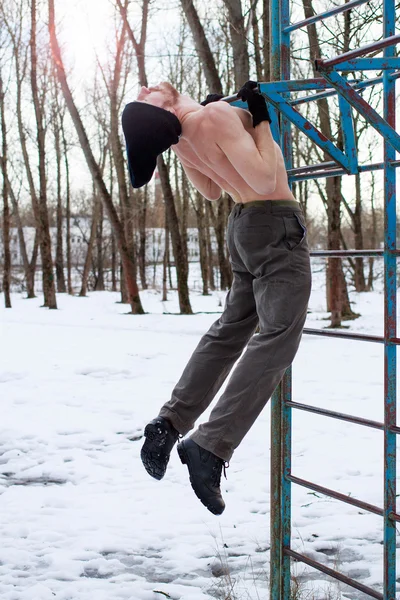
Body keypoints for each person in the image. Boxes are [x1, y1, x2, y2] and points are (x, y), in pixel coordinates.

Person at [122, 81, 312, 516]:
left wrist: (217, 115)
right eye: (145, 97)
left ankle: (170, 423)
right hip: (274, 221)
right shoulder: (215, 118)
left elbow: (210, 190)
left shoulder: (186, 136)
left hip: (242, 226)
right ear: (163, 108)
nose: (145, 87)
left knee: (230, 331)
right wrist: (260, 117)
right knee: (279, 334)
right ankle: (211, 444)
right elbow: (266, 177)